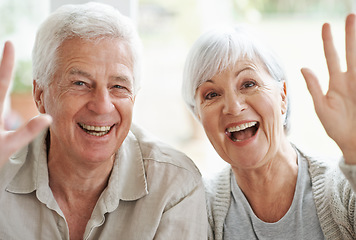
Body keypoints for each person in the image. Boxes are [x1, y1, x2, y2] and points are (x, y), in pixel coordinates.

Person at [0, 2, 208, 239]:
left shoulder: (174, 186)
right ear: (40, 96)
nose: (102, 106)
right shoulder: (2, 166)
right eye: (80, 83)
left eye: (118, 86)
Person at [182, 13, 356, 240]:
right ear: (198, 115)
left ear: (282, 97)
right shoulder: (197, 208)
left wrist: (353, 149)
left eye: (248, 84)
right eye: (212, 94)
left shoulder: (343, 190)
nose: (233, 107)